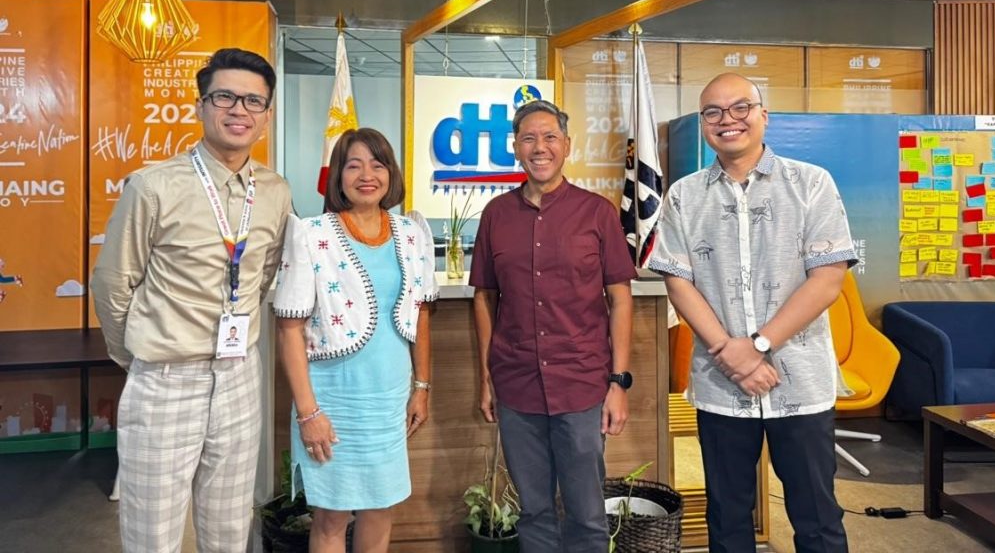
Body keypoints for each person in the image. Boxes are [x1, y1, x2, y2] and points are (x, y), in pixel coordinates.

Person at [92, 47, 292, 553]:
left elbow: (264, 275)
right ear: (201, 106)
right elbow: (114, 284)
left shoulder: (274, 192)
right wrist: (139, 357)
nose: (238, 110)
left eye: (253, 101)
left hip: (239, 378)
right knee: (152, 534)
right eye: (224, 96)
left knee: (229, 531)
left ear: (266, 116)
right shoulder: (153, 186)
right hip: (165, 380)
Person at [648, 73, 856, 553]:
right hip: (721, 385)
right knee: (726, 515)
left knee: (817, 514)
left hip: (798, 383)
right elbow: (677, 280)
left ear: (764, 115)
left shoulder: (811, 184)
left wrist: (757, 347)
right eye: (714, 112)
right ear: (703, 124)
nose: (728, 120)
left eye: (740, 108)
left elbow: (827, 280)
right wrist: (728, 351)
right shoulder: (684, 194)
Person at [470, 100, 636, 553]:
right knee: (535, 512)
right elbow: (484, 296)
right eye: (528, 138)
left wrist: (619, 383)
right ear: (515, 148)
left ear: (566, 146)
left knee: (586, 514)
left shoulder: (597, 213)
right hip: (517, 385)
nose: (539, 147)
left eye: (549, 137)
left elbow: (620, 299)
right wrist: (487, 376)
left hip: (581, 386)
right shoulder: (496, 215)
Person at [274, 127, 437, 552]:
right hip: (333, 400)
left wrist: (422, 387)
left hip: (389, 399)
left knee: (381, 507)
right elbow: (289, 328)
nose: (367, 175)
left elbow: (420, 314)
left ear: (391, 174)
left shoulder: (411, 233)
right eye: (354, 165)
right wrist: (308, 413)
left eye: (377, 164)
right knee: (331, 515)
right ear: (339, 177)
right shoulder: (311, 234)